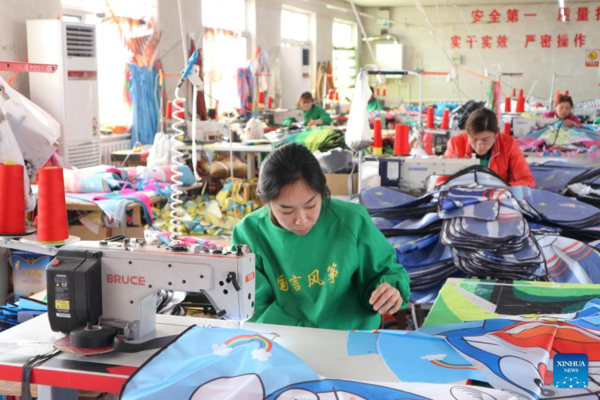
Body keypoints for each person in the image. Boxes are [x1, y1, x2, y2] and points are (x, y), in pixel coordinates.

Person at [232, 143, 410, 330]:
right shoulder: (248, 233)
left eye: (310, 205)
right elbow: (253, 305)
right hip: (283, 338)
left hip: (349, 336)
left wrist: (390, 289)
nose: (301, 219)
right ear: (266, 201)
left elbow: (387, 271)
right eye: (286, 210)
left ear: (323, 193)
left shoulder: (351, 220)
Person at [443, 108, 535, 187]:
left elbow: (527, 181)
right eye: (474, 139)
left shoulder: (508, 144)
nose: (479, 145)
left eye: (485, 139)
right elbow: (441, 182)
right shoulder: (455, 144)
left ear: (496, 135)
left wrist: (499, 188)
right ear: (467, 134)